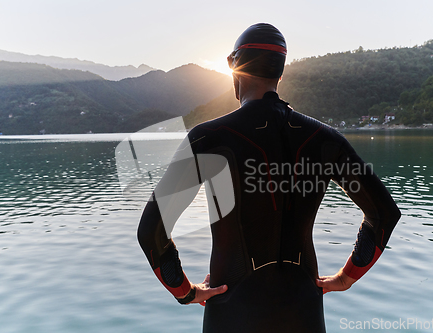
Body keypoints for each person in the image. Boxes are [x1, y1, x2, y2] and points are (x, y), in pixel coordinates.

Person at [137, 23, 401, 333]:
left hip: (232, 313)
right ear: (280, 73)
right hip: (303, 311)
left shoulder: (208, 139)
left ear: (235, 69)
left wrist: (186, 292)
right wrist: (347, 277)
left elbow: (152, 231)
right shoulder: (325, 139)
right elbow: (383, 214)